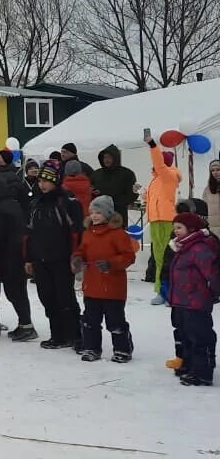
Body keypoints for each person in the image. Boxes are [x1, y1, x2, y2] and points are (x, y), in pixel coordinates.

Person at [25, 160, 84, 350]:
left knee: (65, 298)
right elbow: (29, 233)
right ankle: (57, 334)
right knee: (47, 297)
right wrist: (28, 258)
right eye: (40, 180)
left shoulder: (66, 201)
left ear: (56, 181)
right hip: (40, 259)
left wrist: (75, 256)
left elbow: (76, 232)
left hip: (61, 259)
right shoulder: (35, 203)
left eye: (47, 181)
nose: (42, 184)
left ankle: (75, 335)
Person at [72, 195, 137, 363]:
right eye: (92, 212)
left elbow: (128, 256)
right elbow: (81, 250)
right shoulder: (87, 234)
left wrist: (111, 263)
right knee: (90, 320)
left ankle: (123, 349)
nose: (94, 216)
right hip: (92, 284)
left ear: (107, 214)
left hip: (112, 286)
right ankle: (91, 348)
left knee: (115, 321)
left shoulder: (117, 234)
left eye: (98, 212)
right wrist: (77, 258)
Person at [0, 164, 36, 342]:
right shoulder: (13, 204)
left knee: (14, 292)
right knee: (20, 292)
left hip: (9, 256)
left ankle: (26, 326)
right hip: (19, 254)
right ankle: (25, 324)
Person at [167, 212, 220, 386]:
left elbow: (212, 273)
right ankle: (189, 365)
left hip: (196, 301)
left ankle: (203, 372)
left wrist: (214, 292)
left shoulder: (199, 248)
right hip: (182, 301)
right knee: (185, 335)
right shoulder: (182, 247)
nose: (176, 231)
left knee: (200, 336)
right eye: (174, 228)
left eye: (179, 228)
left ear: (191, 229)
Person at [143, 132, 182, 305]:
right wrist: (142, 193)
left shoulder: (169, 176)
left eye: (159, 160)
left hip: (167, 220)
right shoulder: (156, 179)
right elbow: (152, 198)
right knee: (159, 257)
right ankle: (161, 290)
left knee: (169, 257)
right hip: (155, 220)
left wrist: (152, 144)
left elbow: (158, 163)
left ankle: (173, 291)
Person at [90, 145, 138, 228]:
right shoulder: (96, 174)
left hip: (118, 216)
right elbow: (91, 191)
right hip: (100, 217)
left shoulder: (127, 174)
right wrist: (93, 192)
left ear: (115, 158)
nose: (106, 160)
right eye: (104, 157)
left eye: (109, 157)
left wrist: (114, 203)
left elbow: (132, 195)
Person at [203, 160, 220, 238]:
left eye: (218, 169)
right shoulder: (208, 189)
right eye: (212, 170)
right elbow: (204, 206)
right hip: (213, 228)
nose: (215, 172)